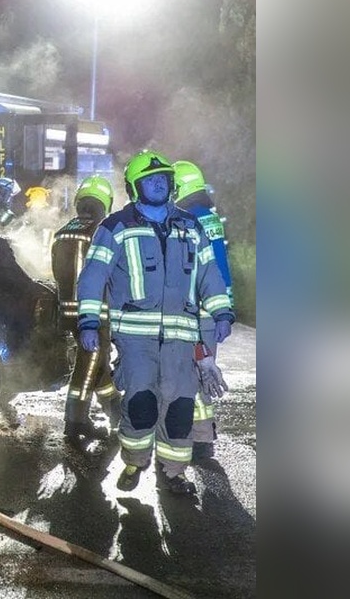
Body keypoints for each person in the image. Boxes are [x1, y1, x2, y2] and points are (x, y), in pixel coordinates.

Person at [76, 151, 234, 496]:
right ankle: (135, 461)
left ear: (172, 185)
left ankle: (174, 473)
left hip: (182, 340)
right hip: (136, 341)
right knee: (141, 404)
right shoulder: (115, 227)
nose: (158, 184)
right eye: (150, 180)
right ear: (135, 187)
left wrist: (222, 312)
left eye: (163, 179)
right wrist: (88, 323)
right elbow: (92, 277)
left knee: (179, 408)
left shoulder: (190, 227)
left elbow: (210, 273)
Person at [51, 176, 122, 447]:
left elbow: (58, 274)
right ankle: (76, 421)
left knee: (97, 364)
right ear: (105, 204)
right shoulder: (103, 232)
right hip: (95, 313)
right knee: (88, 366)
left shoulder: (63, 231)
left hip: (68, 312)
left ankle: (117, 413)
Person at [173, 160, 234, 461]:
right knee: (204, 371)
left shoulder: (188, 222)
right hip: (212, 311)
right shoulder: (210, 217)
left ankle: (196, 439)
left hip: (194, 312)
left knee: (189, 374)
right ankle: (203, 435)